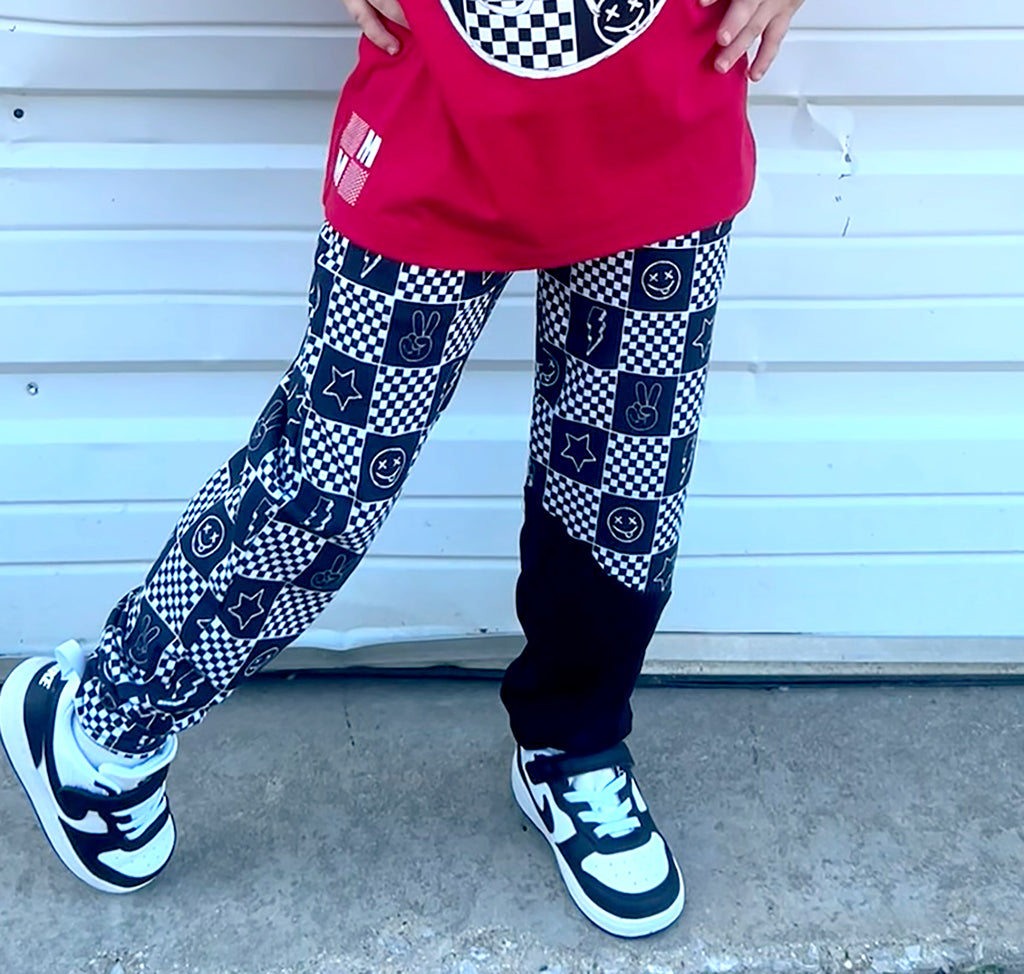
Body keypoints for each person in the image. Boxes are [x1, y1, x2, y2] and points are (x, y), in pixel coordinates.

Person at [0, 0, 803, 939]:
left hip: (668, 115)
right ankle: (100, 722)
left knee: (625, 489)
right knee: (329, 480)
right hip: (437, 121)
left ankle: (572, 744)